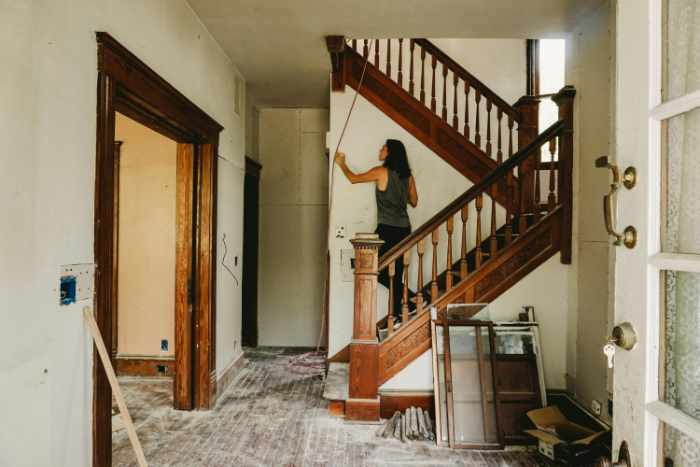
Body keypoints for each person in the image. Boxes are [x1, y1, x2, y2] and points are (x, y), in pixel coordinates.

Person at [334, 139, 418, 322]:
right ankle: (402, 309)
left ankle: (410, 302)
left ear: (390, 152)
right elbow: (414, 201)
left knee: (374, 268)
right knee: (394, 272)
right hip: (404, 229)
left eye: (383, 148)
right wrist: (400, 194)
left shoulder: (381, 172)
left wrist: (341, 163)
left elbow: (353, 178)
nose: (380, 150)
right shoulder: (408, 176)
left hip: (387, 228)